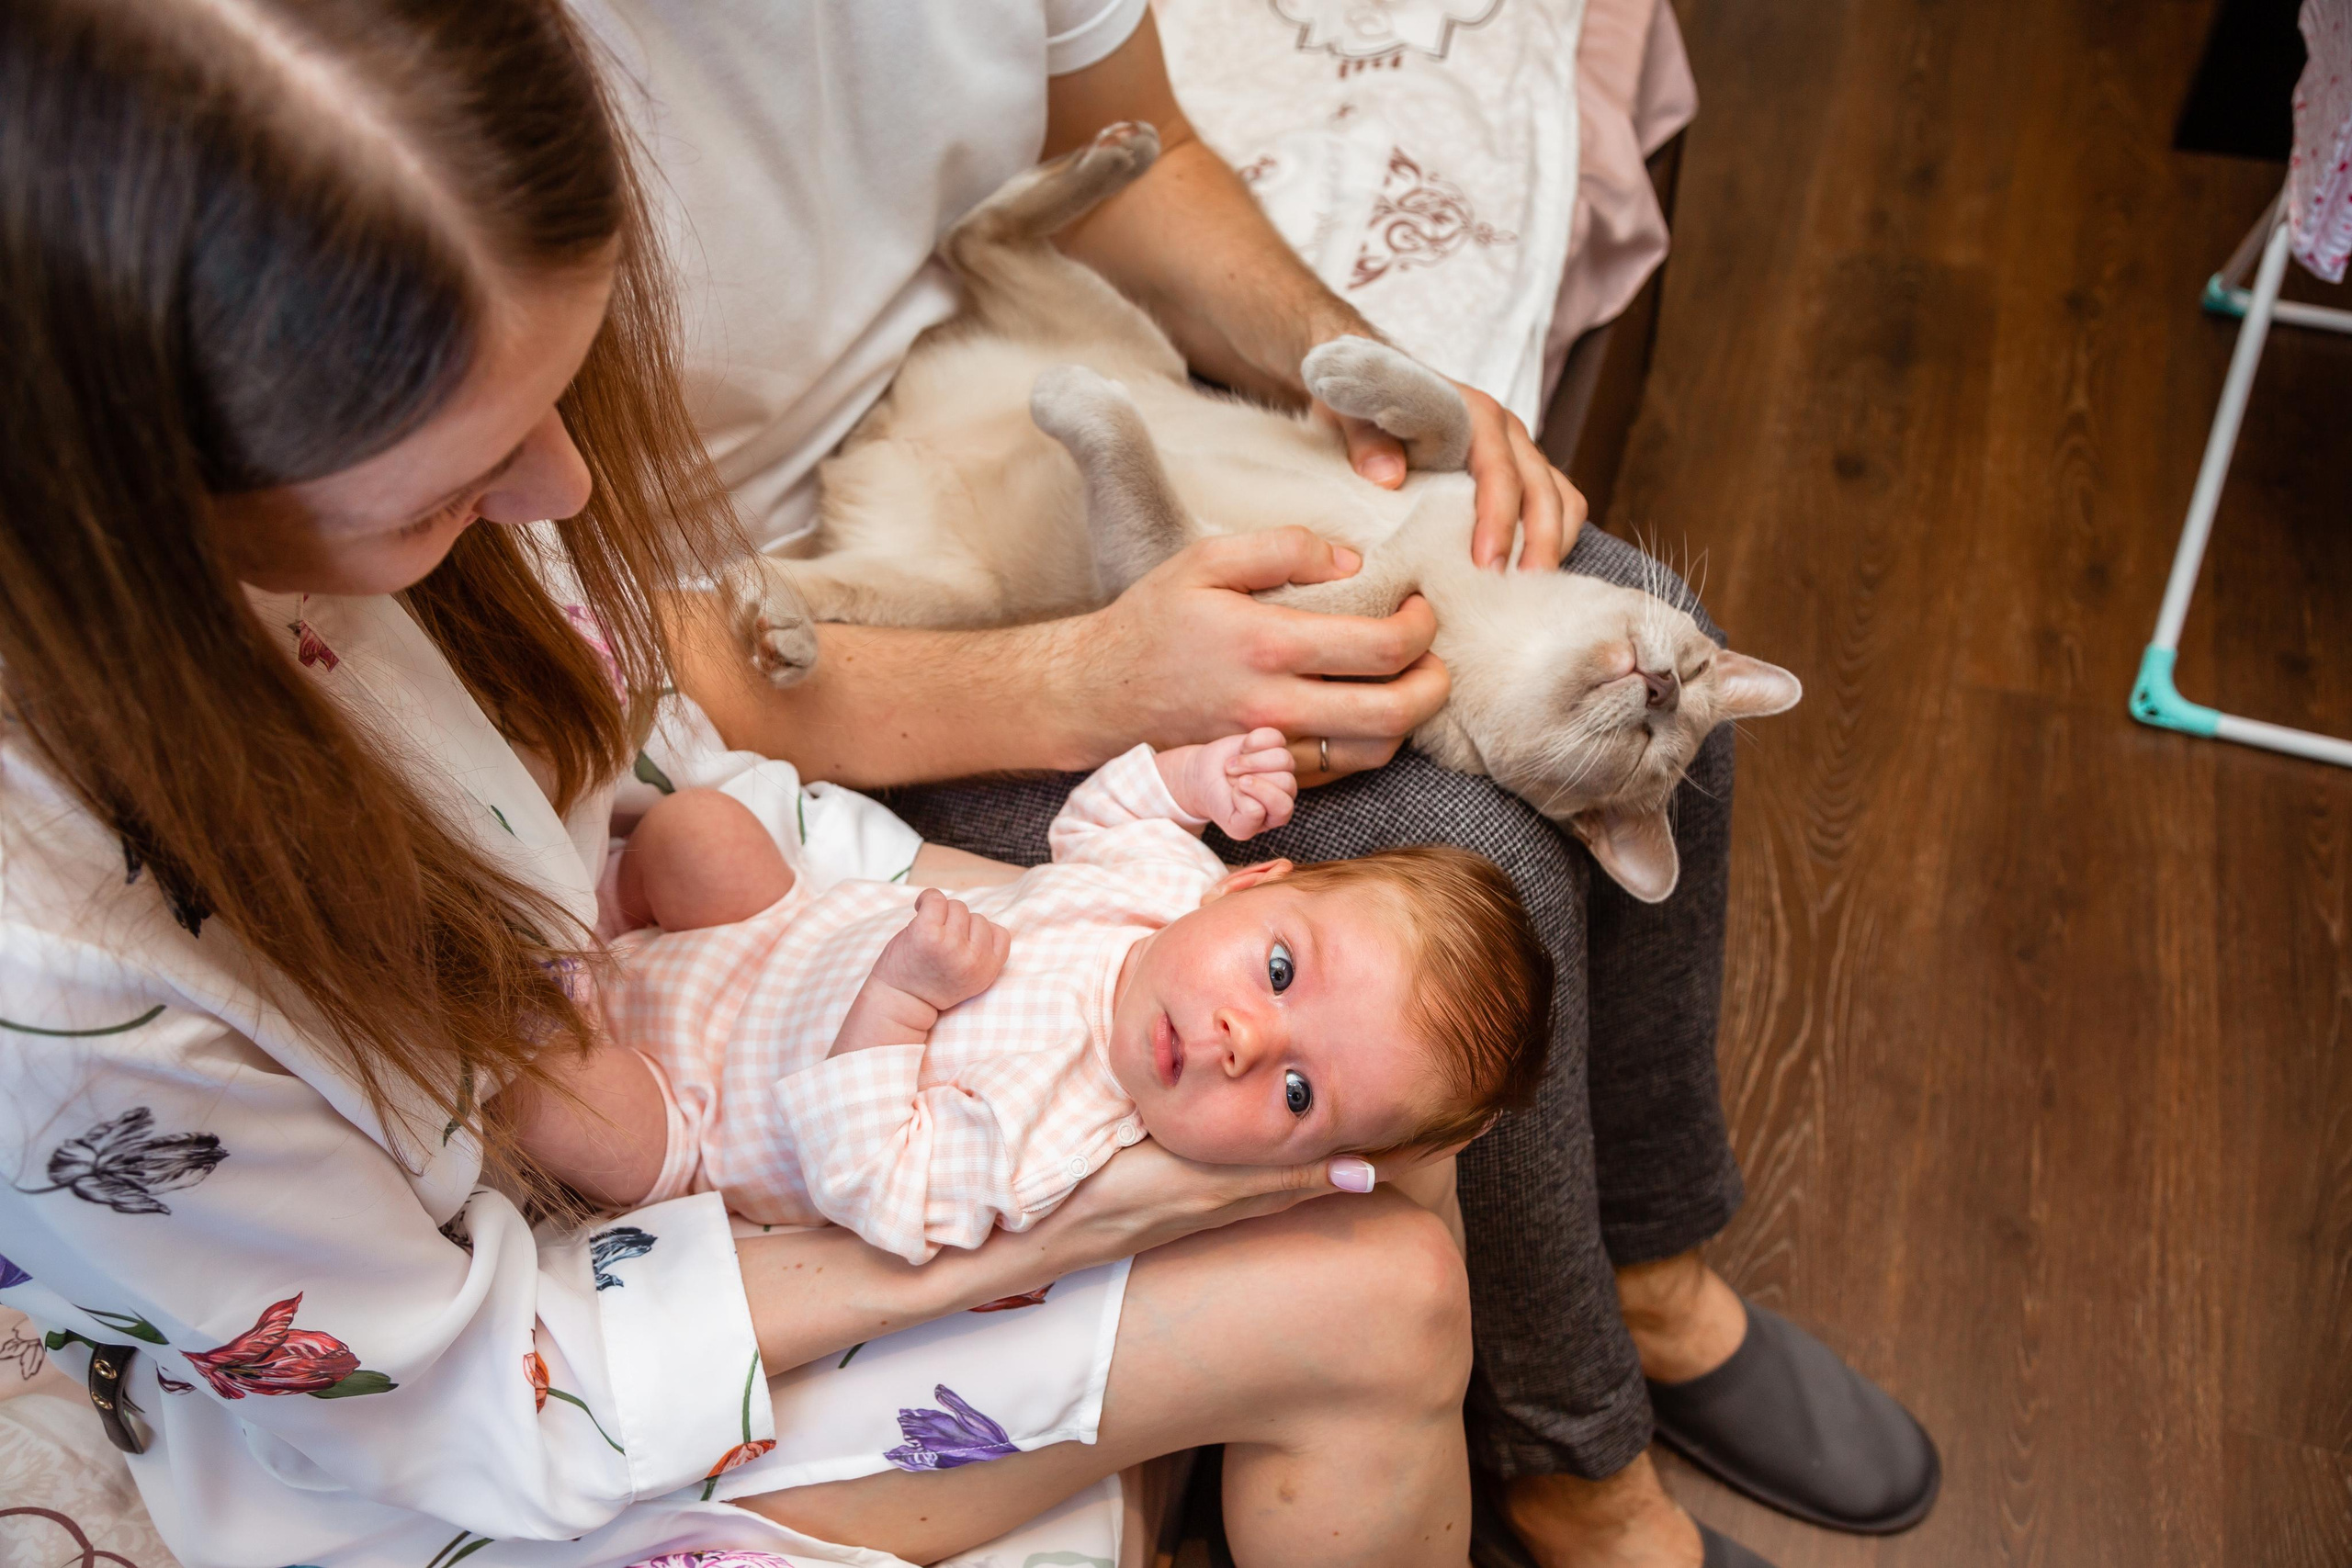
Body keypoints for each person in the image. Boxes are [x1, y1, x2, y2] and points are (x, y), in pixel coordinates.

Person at [0, 4, 1482, 1565]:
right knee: (1378, 1292)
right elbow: (470, 1399)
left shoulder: (423, 455)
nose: (565, 489)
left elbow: (645, 743)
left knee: (1395, 1076)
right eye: (450, 489)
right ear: (149, 514)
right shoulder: (68, 972)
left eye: (559, 393)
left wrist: (1069, 934)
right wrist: (1084, 1214)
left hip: (656, 1020)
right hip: (480, 1406)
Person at [576, 3, 1941, 1563]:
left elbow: (1143, 151)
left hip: (1013, 360)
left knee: (1657, 623)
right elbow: (586, 635)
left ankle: (1649, 1268)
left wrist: (1344, 370)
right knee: (1469, 852)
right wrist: (1088, 680)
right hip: (833, 616)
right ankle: (1570, 1455)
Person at [514, 735, 1551, 1265]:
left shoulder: (1063, 1142)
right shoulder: (1163, 888)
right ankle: (599, 914)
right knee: (698, 831)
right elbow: (1102, 818)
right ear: (1248, 884)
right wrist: (1193, 779)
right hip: (767, 930)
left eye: (1296, 1093)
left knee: (581, 1111)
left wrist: (901, 996)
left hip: (700, 1111)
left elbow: (875, 1183)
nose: (1246, 1037)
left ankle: (522, 1005)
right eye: (1278, 971)